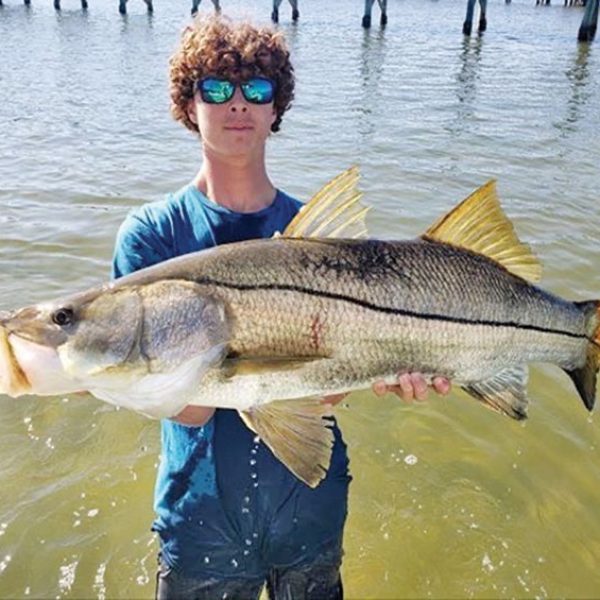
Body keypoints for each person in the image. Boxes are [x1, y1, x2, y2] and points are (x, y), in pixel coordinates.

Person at [112, 15, 450, 600]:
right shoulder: (151, 236)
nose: (237, 102)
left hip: (310, 513)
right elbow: (182, 409)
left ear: (276, 109)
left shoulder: (320, 241)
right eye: (216, 87)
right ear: (189, 104)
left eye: (257, 89)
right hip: (199, 525)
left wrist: (388, 364)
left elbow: (327, 388)